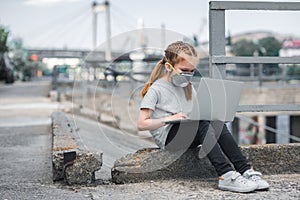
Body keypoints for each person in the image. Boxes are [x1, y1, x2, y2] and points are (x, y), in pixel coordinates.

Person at [137, 41, 269, 193]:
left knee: (216, 122)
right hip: (169, 138)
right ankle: (225, 175)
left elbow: (196, 114)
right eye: (184, 70)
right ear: (168, 67)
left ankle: (245, 170)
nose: (188, 75)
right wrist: (171, 118)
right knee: (201, 125)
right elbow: (142, 123)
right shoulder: (156, 89)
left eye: (192, 71)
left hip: (188, 132)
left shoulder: (188, 87)